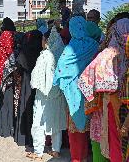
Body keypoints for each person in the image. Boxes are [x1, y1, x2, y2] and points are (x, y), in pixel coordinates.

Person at [78, 17, 129, 162]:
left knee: (118, 146)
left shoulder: (108, 54)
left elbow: (85, 81)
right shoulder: (111, 54)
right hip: (117, 109)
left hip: (115, 109)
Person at [53, 16, 101, 162]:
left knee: (75, 127)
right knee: (90, 125)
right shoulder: (94, 44)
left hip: (73, 92)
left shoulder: (70, 47)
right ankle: (87, 156)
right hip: (90, 91)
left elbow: (61, 69)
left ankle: (77, 158)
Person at [27, 27, 67, 160]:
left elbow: (36, 77)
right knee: (56, 121)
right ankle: (56, 150)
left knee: (38, 122)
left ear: (47, 40)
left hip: (43, 95)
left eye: (43, 39)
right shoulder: (62, 53)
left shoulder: (45, 55)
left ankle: (38, 152)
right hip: (58, 94)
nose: (42, 42)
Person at [0, 17, 17, 137]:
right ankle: (9, 129)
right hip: (9, 80)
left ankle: (0, 129)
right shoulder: (11, 53)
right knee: (8, 103)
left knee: (0, 102)